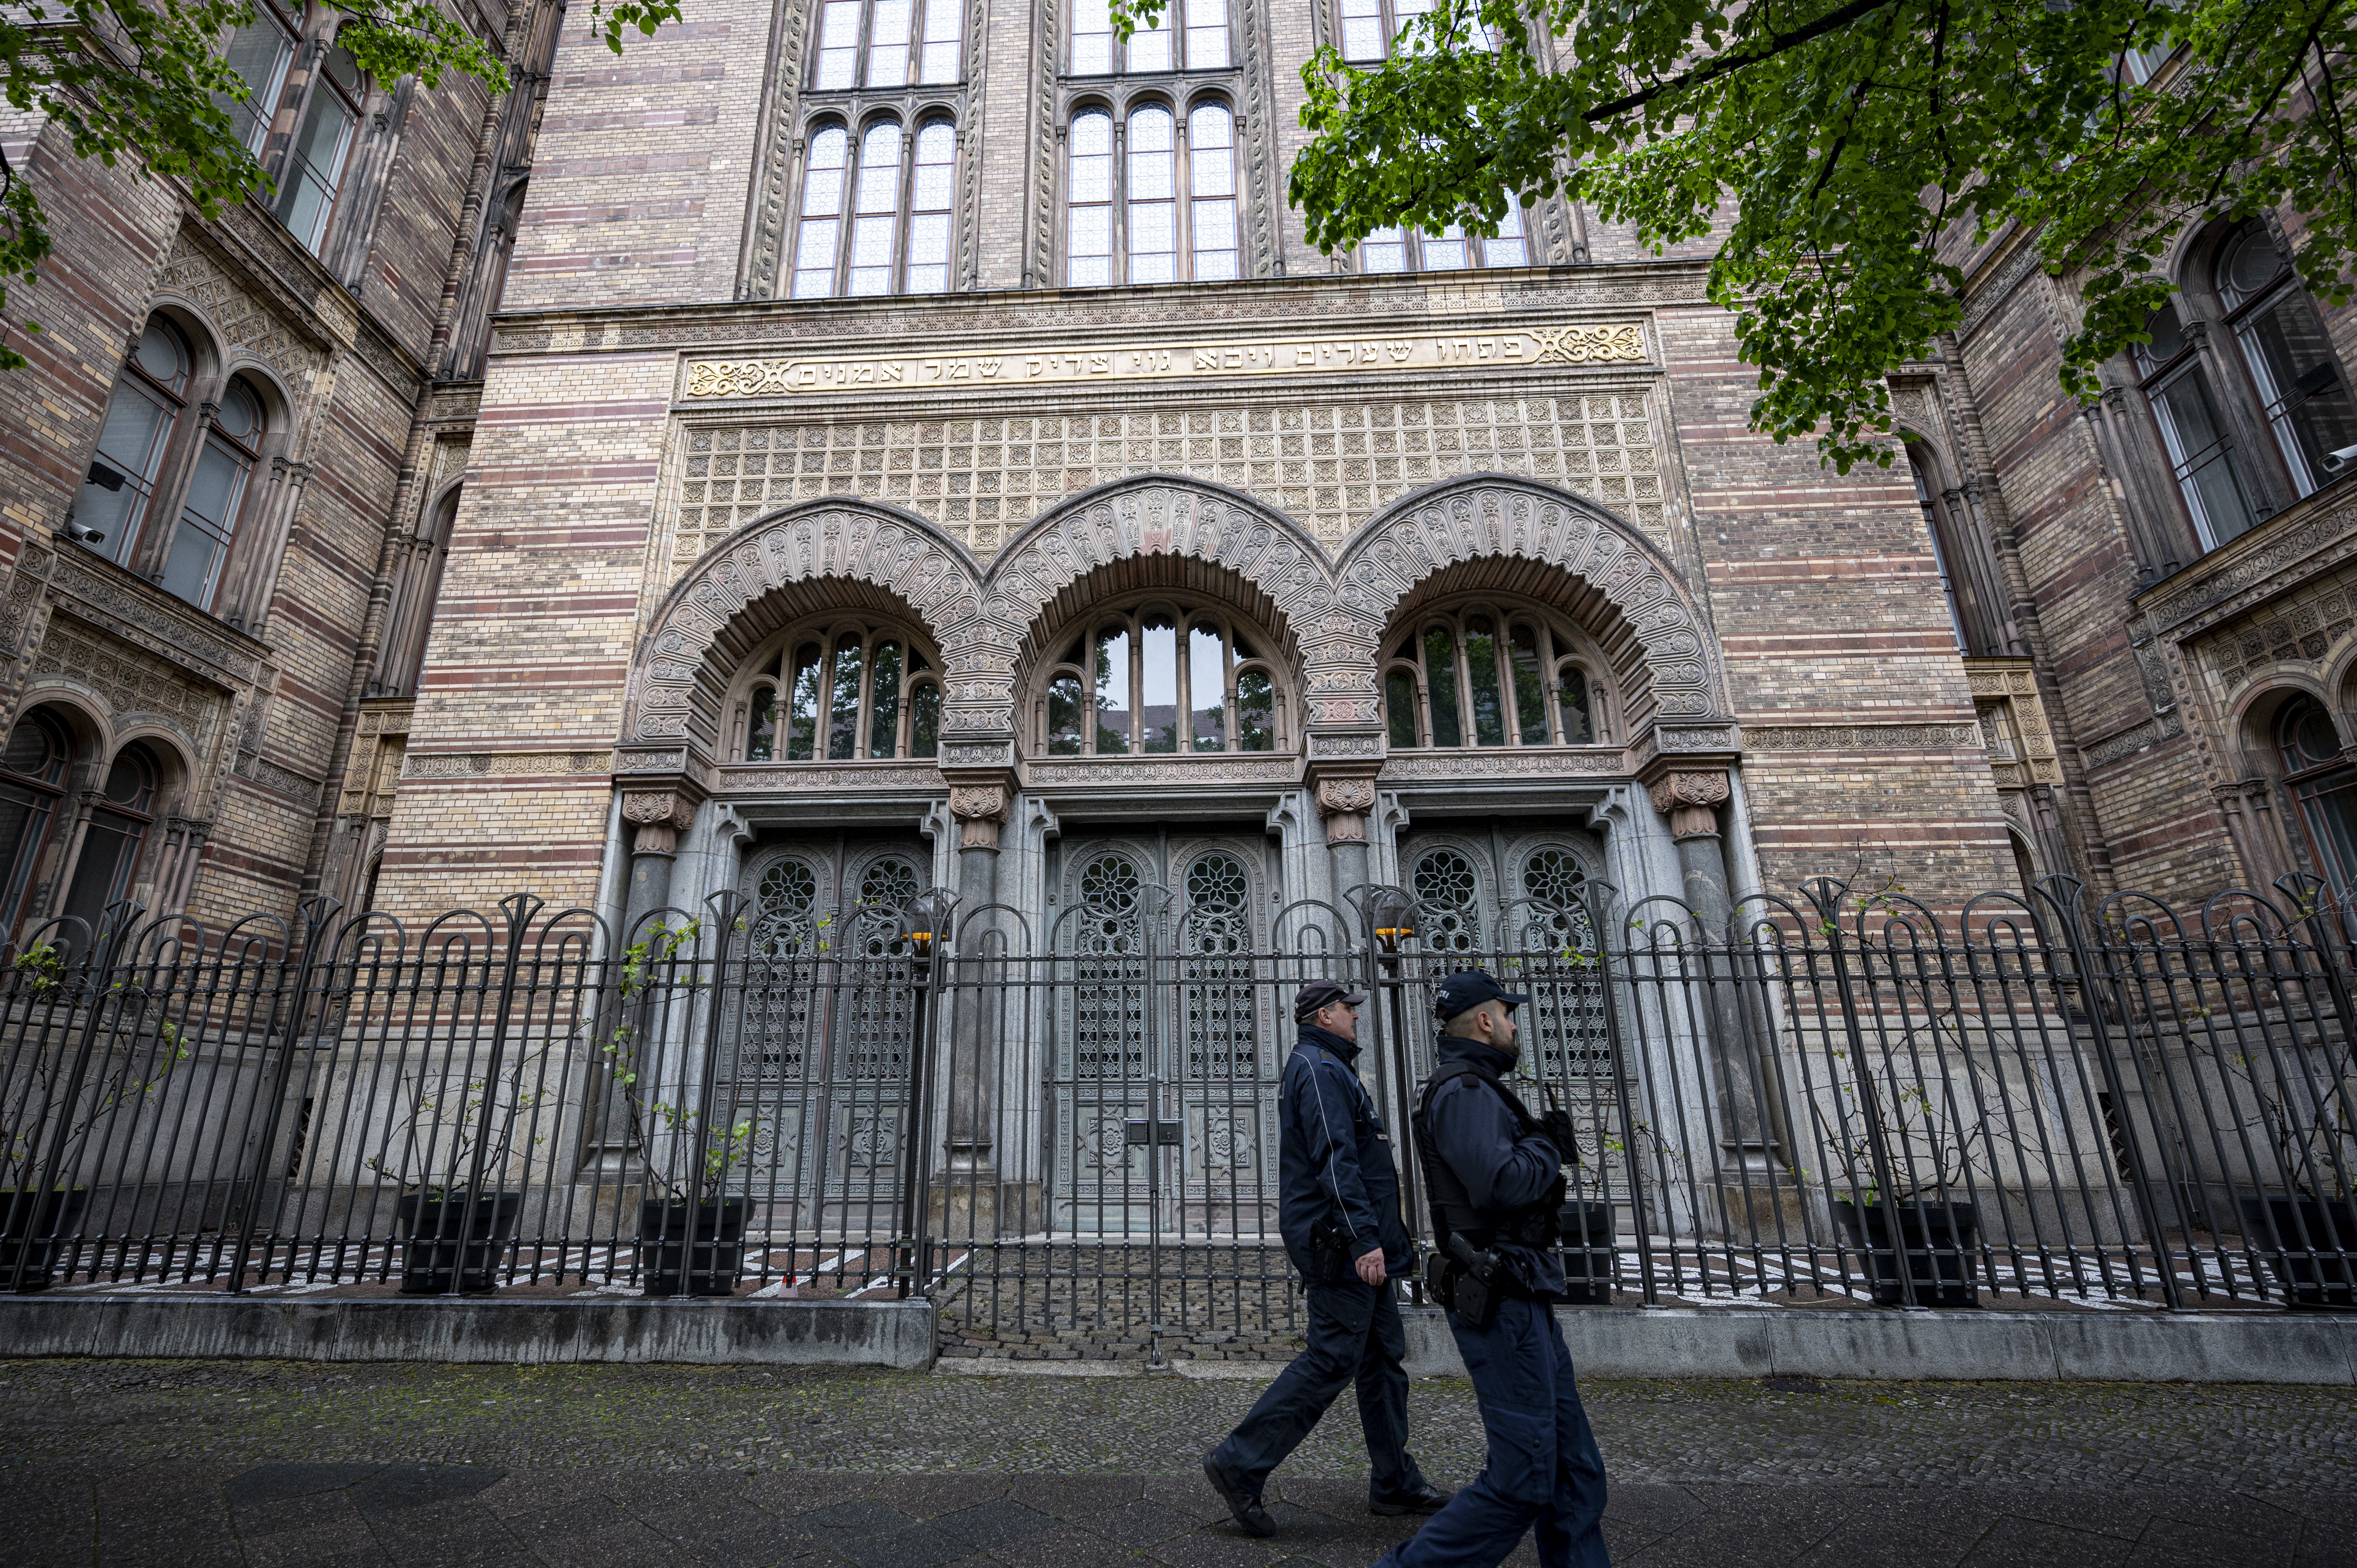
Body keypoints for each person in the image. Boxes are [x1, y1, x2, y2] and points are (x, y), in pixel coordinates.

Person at [1373, 969, 1611, 1568]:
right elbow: (1499, 1182)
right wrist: (1544, 1147)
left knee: (1575, 1472)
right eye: (1508, 1014)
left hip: (1521, 1291)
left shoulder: (1474, 1086)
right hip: (1500, 1296)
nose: (1513, 1025)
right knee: (1523, 1479)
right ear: (1485, 1019)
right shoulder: (1465, 1092)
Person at [1202, 979, 1450, 1537]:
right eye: (1348, 1009)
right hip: (1341, 1242)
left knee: (1382, 1356)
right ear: (1323, 1015)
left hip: (1361, 1241)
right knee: (1332, 1358)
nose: (1356, 1017)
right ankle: (1239, 1461)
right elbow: (1335, 1160)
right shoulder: (1316, 1068)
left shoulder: (1329, 1066)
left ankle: (1395, 1480)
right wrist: (1364, 1239)